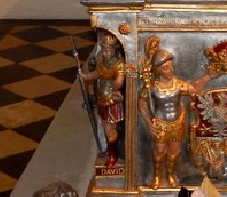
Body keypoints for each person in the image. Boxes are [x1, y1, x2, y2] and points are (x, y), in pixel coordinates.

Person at [139, 38, 215, 189]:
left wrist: (209, 76)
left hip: (177, 122)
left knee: (174, 149)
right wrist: (148, 122)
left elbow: (194, 88)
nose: (170, 70)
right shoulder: (151, 87)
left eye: (171, 67)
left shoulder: (178, 85)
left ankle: (170, 174)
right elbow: (142, 103)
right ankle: (157, 176)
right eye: (166, 68)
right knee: (159, 149)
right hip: (160, 122)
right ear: (158, 70)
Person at [79, 33, 125, 168]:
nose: (106, 53)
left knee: (112, 129)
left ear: (114, 50)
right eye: (104, 50)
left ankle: (114, 154)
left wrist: (114, 90)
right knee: (106, 127)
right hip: (102, 97)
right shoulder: (101, 60)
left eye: (108, 50)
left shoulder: (119, 63)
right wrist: (86, 76)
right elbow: (98, 73)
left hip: (113, 99)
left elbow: (120, 80)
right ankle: (109, 149)